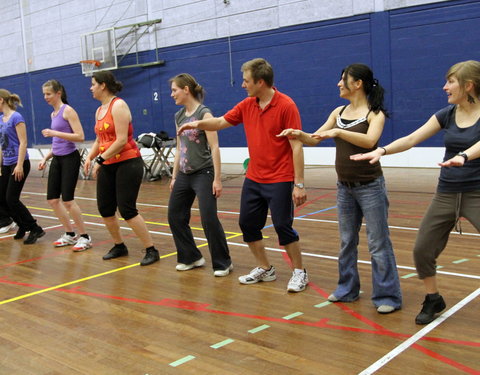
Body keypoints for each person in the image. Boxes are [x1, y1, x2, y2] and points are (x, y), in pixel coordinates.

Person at [351, 60, 480, 324]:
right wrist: (382, 150)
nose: (445, 87)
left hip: (476, 192)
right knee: (422, 250)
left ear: (468, 85)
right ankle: (434, 298)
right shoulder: (447, 113)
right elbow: (411, 139)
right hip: (446, 192)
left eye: (451, 82)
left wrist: (464, 156)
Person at [279, 63, 402, 313]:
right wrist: (298, 133)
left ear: (357, 84)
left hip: (371, 187)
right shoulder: (338, 111)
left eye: (343, 79)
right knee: (347, 240)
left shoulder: (374, 113)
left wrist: (338, 131)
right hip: (344, 188)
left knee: (378, 243)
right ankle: (347, 289)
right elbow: (314, 139)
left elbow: (369, 141)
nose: (338, 84)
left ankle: (388, 296)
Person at [178, 58, 309, 292]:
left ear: (260, 82)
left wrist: (298, 184)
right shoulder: (247, 104)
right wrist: (194, 124)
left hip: (280, 178)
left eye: (246, 80)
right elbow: (219, 122)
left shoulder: (286, 105)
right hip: (254, 178)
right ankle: (265, 268)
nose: (242, 85)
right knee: (247, 225)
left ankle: (299, 272)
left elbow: (296, 146)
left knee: (283, 226)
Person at [84, 71, 159, 266]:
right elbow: (100, 139)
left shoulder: (119, 105)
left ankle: (151, 249)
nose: (90, 88)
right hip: (108, 163)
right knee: (105, 209)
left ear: (103, 85)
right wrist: (90, 156)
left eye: (93, 84)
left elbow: (121, 140)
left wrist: (99, 160)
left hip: (128, 163)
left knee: (127, 209)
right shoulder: (99, 110)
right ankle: (119, 245)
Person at [168, 73, 233, 276]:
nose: (172, 94)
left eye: (174, 90)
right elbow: (180, 147)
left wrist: (217, 179)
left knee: (208, 218)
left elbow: (214, 147)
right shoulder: (178, 116)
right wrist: (174, 175)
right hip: (184, 174)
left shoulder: (205, 114)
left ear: (186, 90)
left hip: (204, 173)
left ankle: (223, 262)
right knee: (175, 216)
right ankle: (191, 257)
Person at [38, 80, 92, 251]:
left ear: (58, 93)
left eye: (48, 94)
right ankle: (69, 234)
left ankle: (84, 236)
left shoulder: (68, 111)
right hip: (57, 158)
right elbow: (57, 143)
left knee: (68, 200)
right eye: (44, 94)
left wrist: (54, 132)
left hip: (70, 158)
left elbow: (80, 136)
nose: (45, 97)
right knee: (53, 200)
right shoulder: (53, 114)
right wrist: (46, 157)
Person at [0, 89, 45, 244]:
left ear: (1, 100)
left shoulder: (16, 117)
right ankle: (21, 224)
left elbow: (23, 142)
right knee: (3, 198)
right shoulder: (1, 119)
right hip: (6, 163)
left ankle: (34, 228)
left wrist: (19, 165)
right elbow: (1, 145)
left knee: (12, 199)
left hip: (18, 163)